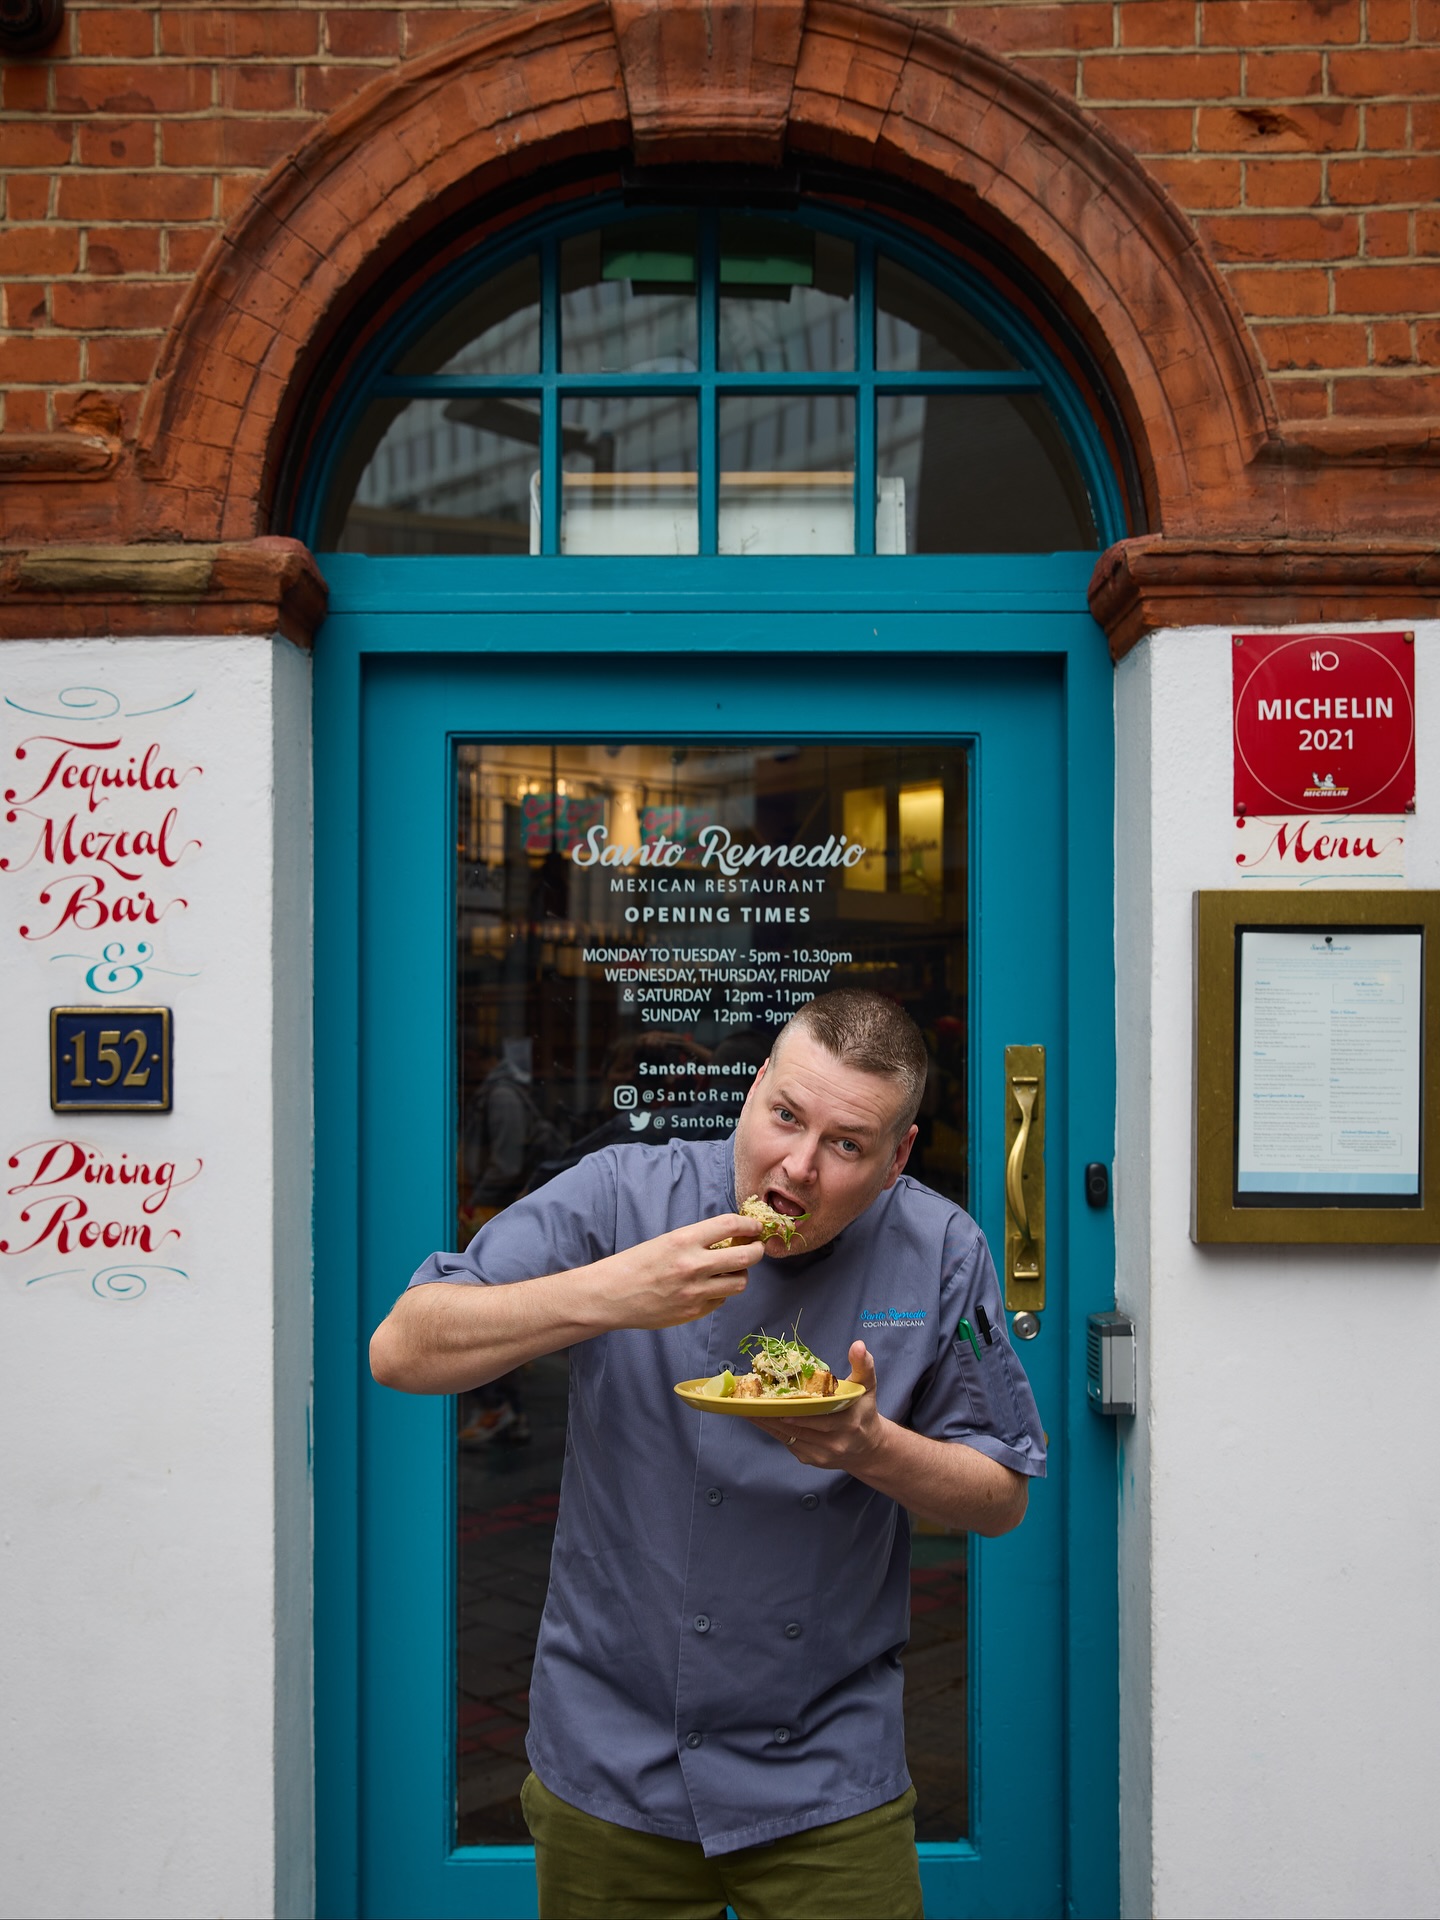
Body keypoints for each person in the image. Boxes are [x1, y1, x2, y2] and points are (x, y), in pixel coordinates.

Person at [371, 990, 1045, 1920]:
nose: (797, 1168)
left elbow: (1000, 1495)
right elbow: (403, 1347)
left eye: (846, 1146)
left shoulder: (941, 1251)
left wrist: (871, 1447)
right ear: (755, 1087)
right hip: (611, 1755)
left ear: (897, 1159)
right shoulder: (621, 1194)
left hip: (826, 1772)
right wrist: (614, 1292)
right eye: (785, 1117)